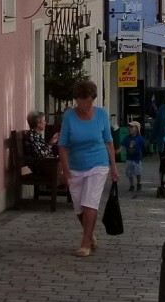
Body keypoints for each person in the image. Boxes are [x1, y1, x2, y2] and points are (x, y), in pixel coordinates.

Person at [57, 79, 118, 257]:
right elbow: (63, 145)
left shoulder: (101, 115)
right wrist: (65, 170)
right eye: (84, 100)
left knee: (89, 202)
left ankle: (85, 243)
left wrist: (113, 167)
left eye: (91, 100)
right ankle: (90, 235)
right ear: (76, 99)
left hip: (98, 164)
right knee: (79, 208)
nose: (87, 104)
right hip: (76, 166)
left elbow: (109, 141)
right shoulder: (69, 116)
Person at [122, 120, 146, 193]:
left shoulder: (140, 138)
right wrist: (115, 152)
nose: (129, 128)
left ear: (137, 129)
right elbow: (122, 146)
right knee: (129, 173)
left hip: (137, 159)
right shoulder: (127, 138)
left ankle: (138, 183)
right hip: (129, 158)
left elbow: (144, 145)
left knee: (138, 172)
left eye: (132, 127)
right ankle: (131, 185)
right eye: (129, 127)